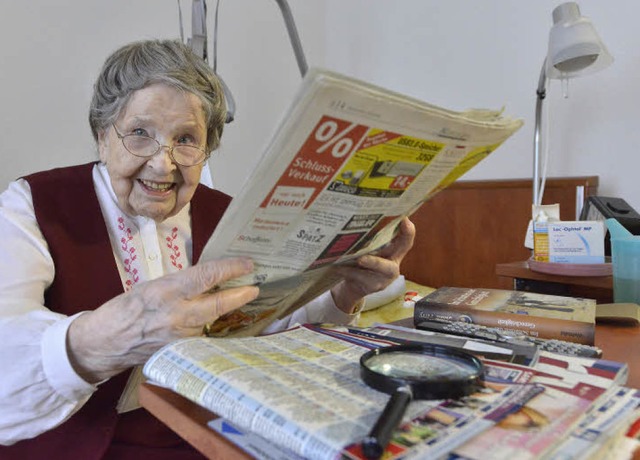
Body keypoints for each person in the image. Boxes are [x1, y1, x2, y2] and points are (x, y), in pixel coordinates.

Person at [0, 39, 415, 458]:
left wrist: (345, 292)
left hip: (204, 436)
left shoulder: (228, 214)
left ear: (206, 149)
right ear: (102, 135)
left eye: (186, 139)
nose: (163, 164)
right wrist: (101, 341)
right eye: (140, 134)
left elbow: (263, 324)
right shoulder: (33, 204)